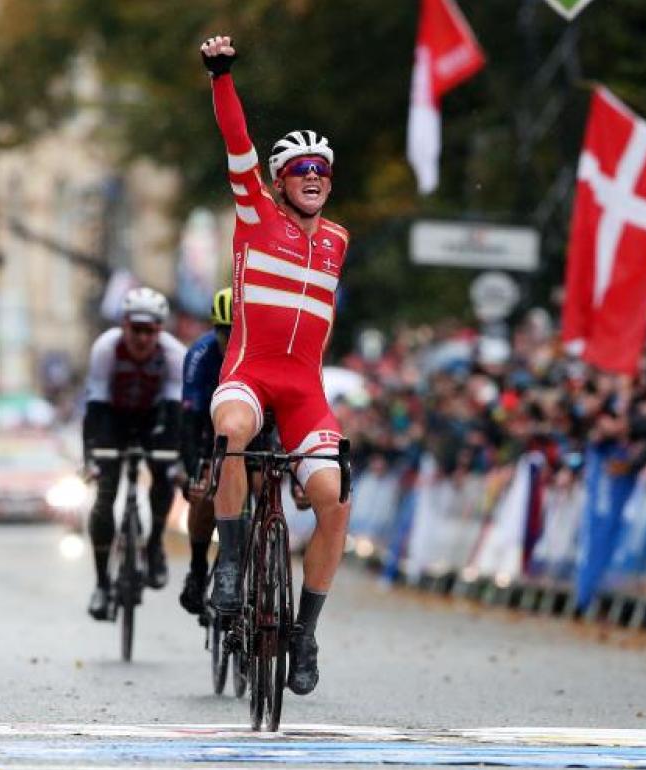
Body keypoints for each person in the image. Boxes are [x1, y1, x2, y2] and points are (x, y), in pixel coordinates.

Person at [200, 34, 352, 696]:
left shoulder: (339, 241)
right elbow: (238, 146)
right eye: (300, 169)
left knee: (336, 499)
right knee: (230, 431)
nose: (313, 175)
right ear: (281, 182)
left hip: (303, 394)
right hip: (250, 375)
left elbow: (319, 324)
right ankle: (231, 564)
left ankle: (304, 632)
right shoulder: (256, 214)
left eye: (322, 167)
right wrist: (221, 77)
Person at [82, 287, 186, 621]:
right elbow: (94, 407)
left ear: (160, 330)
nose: (141, 338)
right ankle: (101, 583)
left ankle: (154, 543)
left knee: (164, 475)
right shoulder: (106, 348)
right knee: (105, 496)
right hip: (112, 417)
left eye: (149, 331)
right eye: (135, 329)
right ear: (124, 325)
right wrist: (91, 458)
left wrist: (177, 459)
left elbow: (175, 413)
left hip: (153, 419)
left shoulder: (173, 354)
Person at [178, 287, 235, 615]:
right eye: (224, 332)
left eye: (236, 332)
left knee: (258, 482)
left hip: (252, 430)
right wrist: (192, 470)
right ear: (214, 330)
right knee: (204, 493)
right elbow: (189, 421)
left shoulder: (259, 351)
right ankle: (198, 570)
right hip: (207, 429)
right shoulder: (200, 355)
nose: (230, 339)